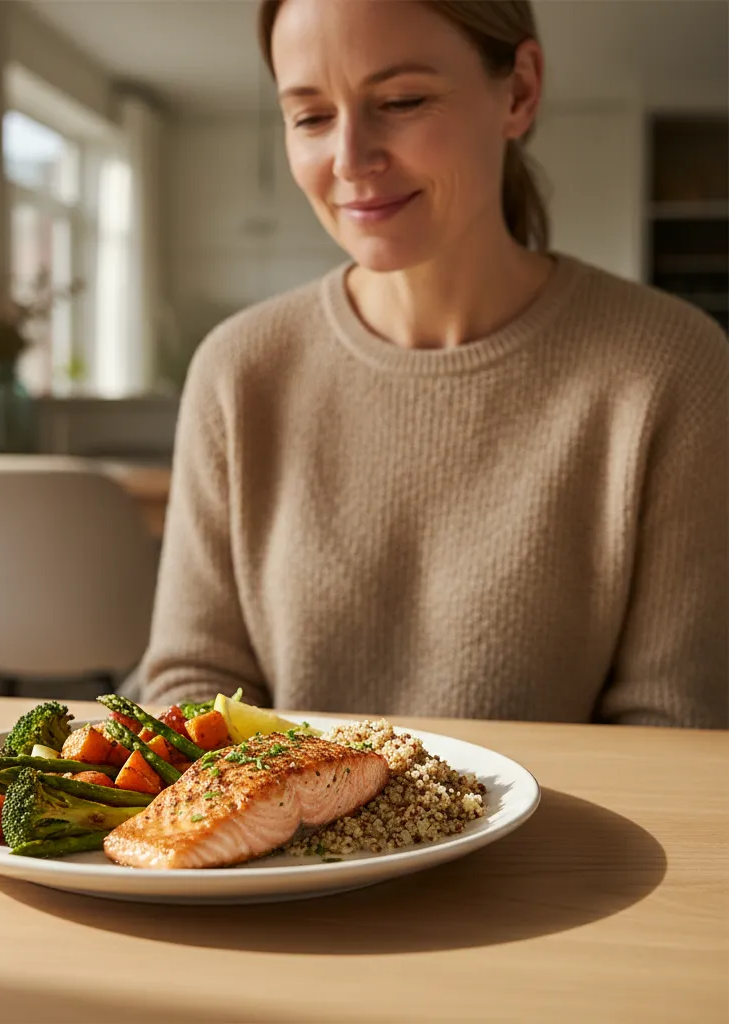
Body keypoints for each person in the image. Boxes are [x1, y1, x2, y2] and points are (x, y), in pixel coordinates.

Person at [141, 0, 728, 728]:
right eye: (311, 117)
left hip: (561, 845)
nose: (351, 159)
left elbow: (671, 722)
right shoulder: (239, 369)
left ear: (519, 92)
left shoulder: (672, 366)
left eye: (401, 101)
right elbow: (193, 680)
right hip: (281, 843)